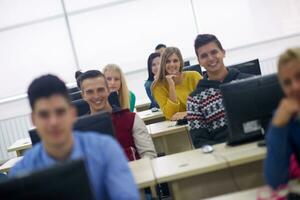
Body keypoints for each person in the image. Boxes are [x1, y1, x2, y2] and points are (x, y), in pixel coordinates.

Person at [9, 74, 139, 200]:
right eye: (44, 115)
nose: (53, 122)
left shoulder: (105, 149)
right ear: (33, 119)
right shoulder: (21, 172)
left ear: (72, 113)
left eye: (60, 112)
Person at [187, 34, 252, 148]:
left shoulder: (249, 81)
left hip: (256, 145)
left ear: (223, 52)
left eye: (214, 52)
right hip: (223, 155)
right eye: (204, 56)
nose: (211, 58)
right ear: (199, 61)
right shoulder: (195, 99)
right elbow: (200, 141)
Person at [77, 70, 157, 161]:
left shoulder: (131, 119)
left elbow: (149, 155)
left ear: (108, 90)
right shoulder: (80, 131)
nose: (96, 96)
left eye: (100, 90)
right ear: (83, 95)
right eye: (90, 92)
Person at [264, 47, 300, 189]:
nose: (295, 87)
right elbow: (276, 179)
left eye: (299, 76)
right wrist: (278, 126)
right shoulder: (289, 118)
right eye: (287, 83)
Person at [152, 47, 202, 120]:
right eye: (167, 61)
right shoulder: (158, 86)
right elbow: (170, 115)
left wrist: (186, 114)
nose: (172, 64)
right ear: (163, 64)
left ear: (180, 62)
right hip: (180, 127)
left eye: (175, 61)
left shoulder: (194, 76)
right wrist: (171, 85)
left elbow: (207, 104)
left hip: (201, 121)